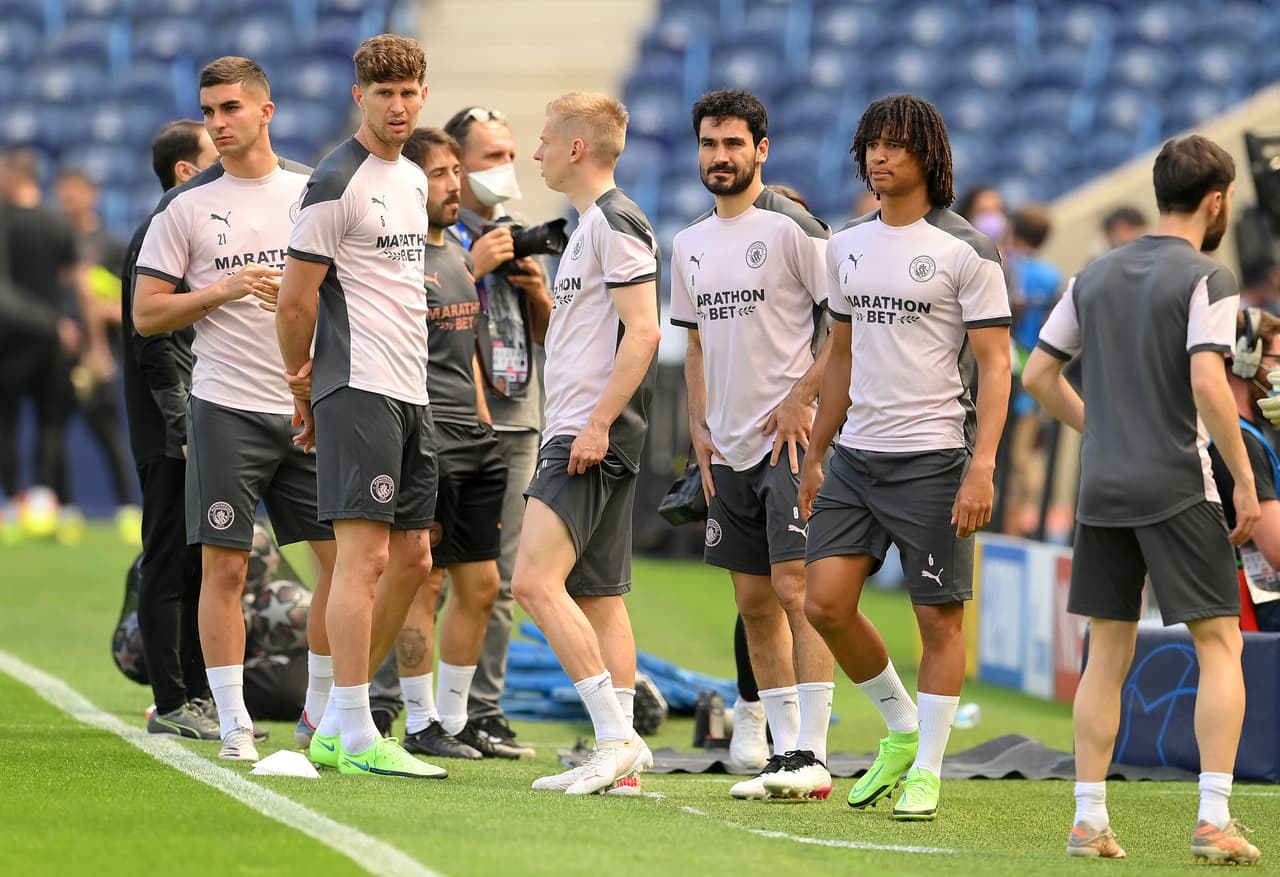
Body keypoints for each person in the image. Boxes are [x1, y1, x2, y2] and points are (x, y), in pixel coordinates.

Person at [1024, 134, 1261, 865]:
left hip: (1102, 485)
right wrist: (1244, 481)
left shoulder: (1092, 273)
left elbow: (1039, 375)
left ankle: (1088, 818)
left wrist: (1102, 430)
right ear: (1217, 201)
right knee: (1220, 644)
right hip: (1176, 482)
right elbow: (1208, 381)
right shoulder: (1210, 276)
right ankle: (1213, 818)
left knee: (1107, 650)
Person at [799, 94, 1012, 822]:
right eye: (871, 145)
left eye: (894, 145)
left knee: (938, 623)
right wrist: (816, 452)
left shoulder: (966, 250)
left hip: (934, 459)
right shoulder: (846, 245)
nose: (879, 157)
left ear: (929, 155)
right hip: (855, 457)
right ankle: (902, 728)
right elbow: (841, 356)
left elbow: (996, 365)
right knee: (824, 605)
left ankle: (927, 771)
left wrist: (983, 464)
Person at [134, 56, 337, 762]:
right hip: (224, 408)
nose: (218, 123)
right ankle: (233, 725)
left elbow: (347, 290)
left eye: (231, 108)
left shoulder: (313, 192)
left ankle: (318, 713)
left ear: (266, 111)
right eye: (209, 111)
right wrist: (223, 290)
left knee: (344, 566)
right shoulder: (183, 207)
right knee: (225, 570)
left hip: (307, 404)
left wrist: (308, 315)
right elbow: (146, 314)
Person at [276, 34, 445, 781]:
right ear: (360, 97)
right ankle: (349, 727)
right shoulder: (334, 180)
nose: (398, 106)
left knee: (415, 558)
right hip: (359, 384)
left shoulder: (410, 177)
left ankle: (338, 723)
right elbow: (295, 299)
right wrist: (301, 384)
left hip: (412, 389)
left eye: (408, 92)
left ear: (423, 94)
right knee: (364, 557)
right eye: (384, 94)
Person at [670, 89, 835, 799]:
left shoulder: (795, 227)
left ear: (761, 150)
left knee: (799, 592)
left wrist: (804, 399)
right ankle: (783, 751)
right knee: (755, 603)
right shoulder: (688, 243)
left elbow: (847, 325)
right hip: (728, 449)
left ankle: (814, 752)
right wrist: (698, 426)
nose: (721, 155)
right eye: (710, 143)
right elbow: (695, 346)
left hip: (790, 444)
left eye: (734, 143)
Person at [515, 92, 661, 796]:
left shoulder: (613, 220)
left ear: (576, 148)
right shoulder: (590, 226)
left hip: (589, 432)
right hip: (587, 427)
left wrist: (597, 423)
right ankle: (621, 759)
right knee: (598, 595)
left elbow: (645, 330)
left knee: (532, 582)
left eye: (546, 140)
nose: (536, 151)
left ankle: (615, 739)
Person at [388, 127, 520, 760]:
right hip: (426, 438)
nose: (453, 185)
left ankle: (456, 718)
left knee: (485, 585)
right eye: (438, 174)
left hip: (474, 437)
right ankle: (420, 722)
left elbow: (463, 350)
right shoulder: (399, 259)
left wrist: (483, 416)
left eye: (454, 172)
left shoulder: (458, 254)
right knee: (426, 583)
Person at [439, 105, 553, 755]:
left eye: (510, 155)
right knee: (426, 574)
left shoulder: (517, 232)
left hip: (518, 416)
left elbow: (547, 331)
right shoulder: (437, 235)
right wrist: (473, 266)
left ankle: (482, 710)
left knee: (502, 579)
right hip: (449, 416)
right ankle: (398, 704)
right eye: (492, 157)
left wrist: (536, 291)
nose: (506, 167)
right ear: (456, 166)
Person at [122, 119, 221, 738]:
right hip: (170, 428)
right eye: (212, 154)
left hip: (196, 416)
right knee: (168, 562)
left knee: (202, 563)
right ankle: (172, 702)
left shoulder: (193, 226)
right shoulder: (162, 231)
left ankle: (201, 696)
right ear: (186, 171)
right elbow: (154, 342)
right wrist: (182, 423)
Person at [0, 148, 88, 540]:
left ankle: (11, 505)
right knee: (50, 423)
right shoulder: (58, 223)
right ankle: (43, 501)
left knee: (8, 423)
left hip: (10, 341)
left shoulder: (4, 222)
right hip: (55, 341)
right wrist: (67, 327)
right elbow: (76, 286)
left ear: (15, 177)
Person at [55, 169, 140, 541]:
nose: (68, 200)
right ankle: (64, 511)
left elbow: (135, 301)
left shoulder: (112, 244)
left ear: (92, 194)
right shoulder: (55, 240)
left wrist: (108, 313)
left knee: (108, 433)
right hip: (59, 354)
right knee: (55, 433)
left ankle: (128, 509)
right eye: (63, 193)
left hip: (103, 356)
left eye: (74, 192)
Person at [1213, 308, 1280, 632]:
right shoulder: (1241, 442)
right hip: (1260, 611)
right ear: (1246, 361)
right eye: (1277, 361)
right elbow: (1277, 549)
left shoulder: (1246, 434)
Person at [1004, 204, 1062, 535]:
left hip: (1004, 371)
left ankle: (1008, 526)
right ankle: (1020, 523)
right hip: (1034, 374)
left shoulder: (1007, 266)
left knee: (1007, 457)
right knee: (1023, 456)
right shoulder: (1052, 276)